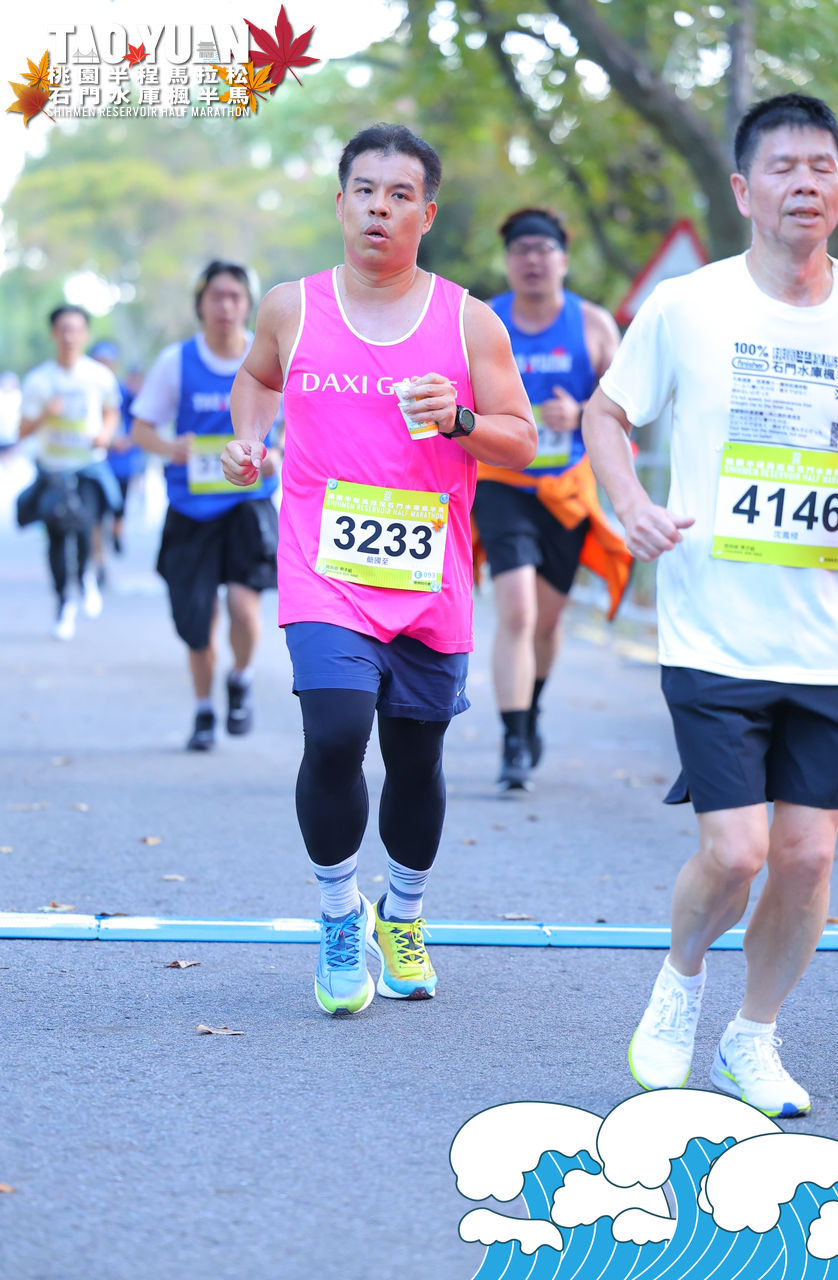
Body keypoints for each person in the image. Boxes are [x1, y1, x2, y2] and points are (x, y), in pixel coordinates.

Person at [222, 123, 537, 1015]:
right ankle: (336, 913)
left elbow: (522, 440)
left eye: (400, 195)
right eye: (364, 190)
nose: (379, 208)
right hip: (323, 570)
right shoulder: (292, 307)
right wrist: (249, 439)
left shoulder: (467, 320)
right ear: (340, 203)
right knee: (333, 732)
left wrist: (462, 421)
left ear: (425, 215)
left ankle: (401, 912)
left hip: (428, 578)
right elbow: (258, 379)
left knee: (415, 755)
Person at [583, 93, 838, 1117]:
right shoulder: (688, 306)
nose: (804, 184)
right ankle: (679, 979)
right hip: (713, 631)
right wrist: (630, 504)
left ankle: (752, 1036)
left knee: (808, 856)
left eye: (821, 167)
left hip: (833, 639)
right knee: (736, 851)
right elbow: (605, 413)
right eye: (783, 167)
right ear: (743, 191)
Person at [472, 208, 629, 791]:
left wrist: (582, 412)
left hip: (565, 490)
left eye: (543, 249)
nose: (532, 260)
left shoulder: (593, 325)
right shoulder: (483, 320)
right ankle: (512, 740)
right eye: (521, 250)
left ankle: (531, 705)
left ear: (563, 259)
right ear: (508, 262)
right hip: (500, 481)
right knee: (516, 610)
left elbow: (628, 407)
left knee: (547, 619)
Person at [131, 261, 282, 751]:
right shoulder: (177, 362)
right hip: (191, 509)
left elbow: (297, 428)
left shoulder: (271, 356)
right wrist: (169, 448)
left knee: (243, 606)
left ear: (249, 303)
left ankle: (240, 678)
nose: (226, 306)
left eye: (236, 296)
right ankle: (202, 709)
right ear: (200, 303)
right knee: (197, 621)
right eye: (216, 296)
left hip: (247, 505)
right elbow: (141, 429)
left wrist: (277, 457)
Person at [17, 305, 121, 639]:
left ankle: (87, 575)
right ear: (53, 334)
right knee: (57, 536)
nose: (69, 336)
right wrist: (45, 415)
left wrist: (105, 434)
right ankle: (64, 602)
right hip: (52, 471)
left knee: (86, 527)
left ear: (85, 334)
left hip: (88, 468)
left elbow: (112, 411)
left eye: (76, 329)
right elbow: (22, 430)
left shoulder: (99, 376)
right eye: (63, 329)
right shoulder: (39, 380)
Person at [90, 342, 146, 561]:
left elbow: (140, 418)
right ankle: (98, 558)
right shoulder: (86, 389)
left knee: (119, 505)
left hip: (120, 460)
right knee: (95, 511)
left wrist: (128, 440)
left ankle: (116, 532)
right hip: (94, 460)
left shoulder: (123, 391)